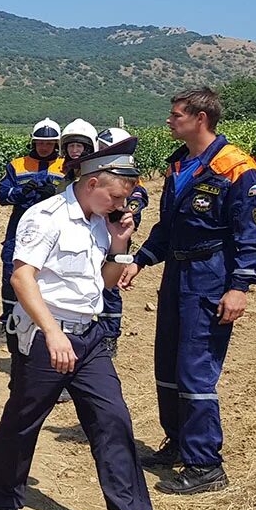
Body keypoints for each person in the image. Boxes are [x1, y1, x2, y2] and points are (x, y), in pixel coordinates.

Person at [0, 136, 181, 510]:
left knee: (113, 419)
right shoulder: (47, 216)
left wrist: (121, 243)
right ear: (93, 183)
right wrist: (53, 333)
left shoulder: (101, 222)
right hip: (44, 335)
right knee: (25, 418)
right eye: (116, 195)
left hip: (89, 336)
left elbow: (106, 284)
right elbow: (22, 278)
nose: (120, 205)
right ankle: (4, 499)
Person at [119, 88, 256, 495]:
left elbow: (252, 234)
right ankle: (178, 443)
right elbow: (168, 228)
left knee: (195, 368)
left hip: (210, 275)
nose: (169, 121)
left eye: (175, 115)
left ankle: (205, 465)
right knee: (167, 363)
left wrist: (240, 286)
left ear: (200, 118)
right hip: (177, 274)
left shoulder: (235, 167)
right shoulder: (179, 165)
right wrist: (139, 260)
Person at [0, 119, 68, 347]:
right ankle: (9, 323)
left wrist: (55, 192)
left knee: (49, 273)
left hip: (55, 227)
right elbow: (2, 196)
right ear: (33, 142)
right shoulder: (17, 165)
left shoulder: (67, 165)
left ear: (56, 143)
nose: (44, 147)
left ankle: (43, 322)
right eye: (40, 143)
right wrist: (20, 192)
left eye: (49, 143)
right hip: (20, 227)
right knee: (11, 272)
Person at [89, 127, 148, 357]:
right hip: (93, 240)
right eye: (102, 149)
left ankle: (110, 337)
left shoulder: (131, 181)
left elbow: (134, 203)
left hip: (115, 244)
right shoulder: (95, 176)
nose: (103, 153)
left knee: (110, 290)